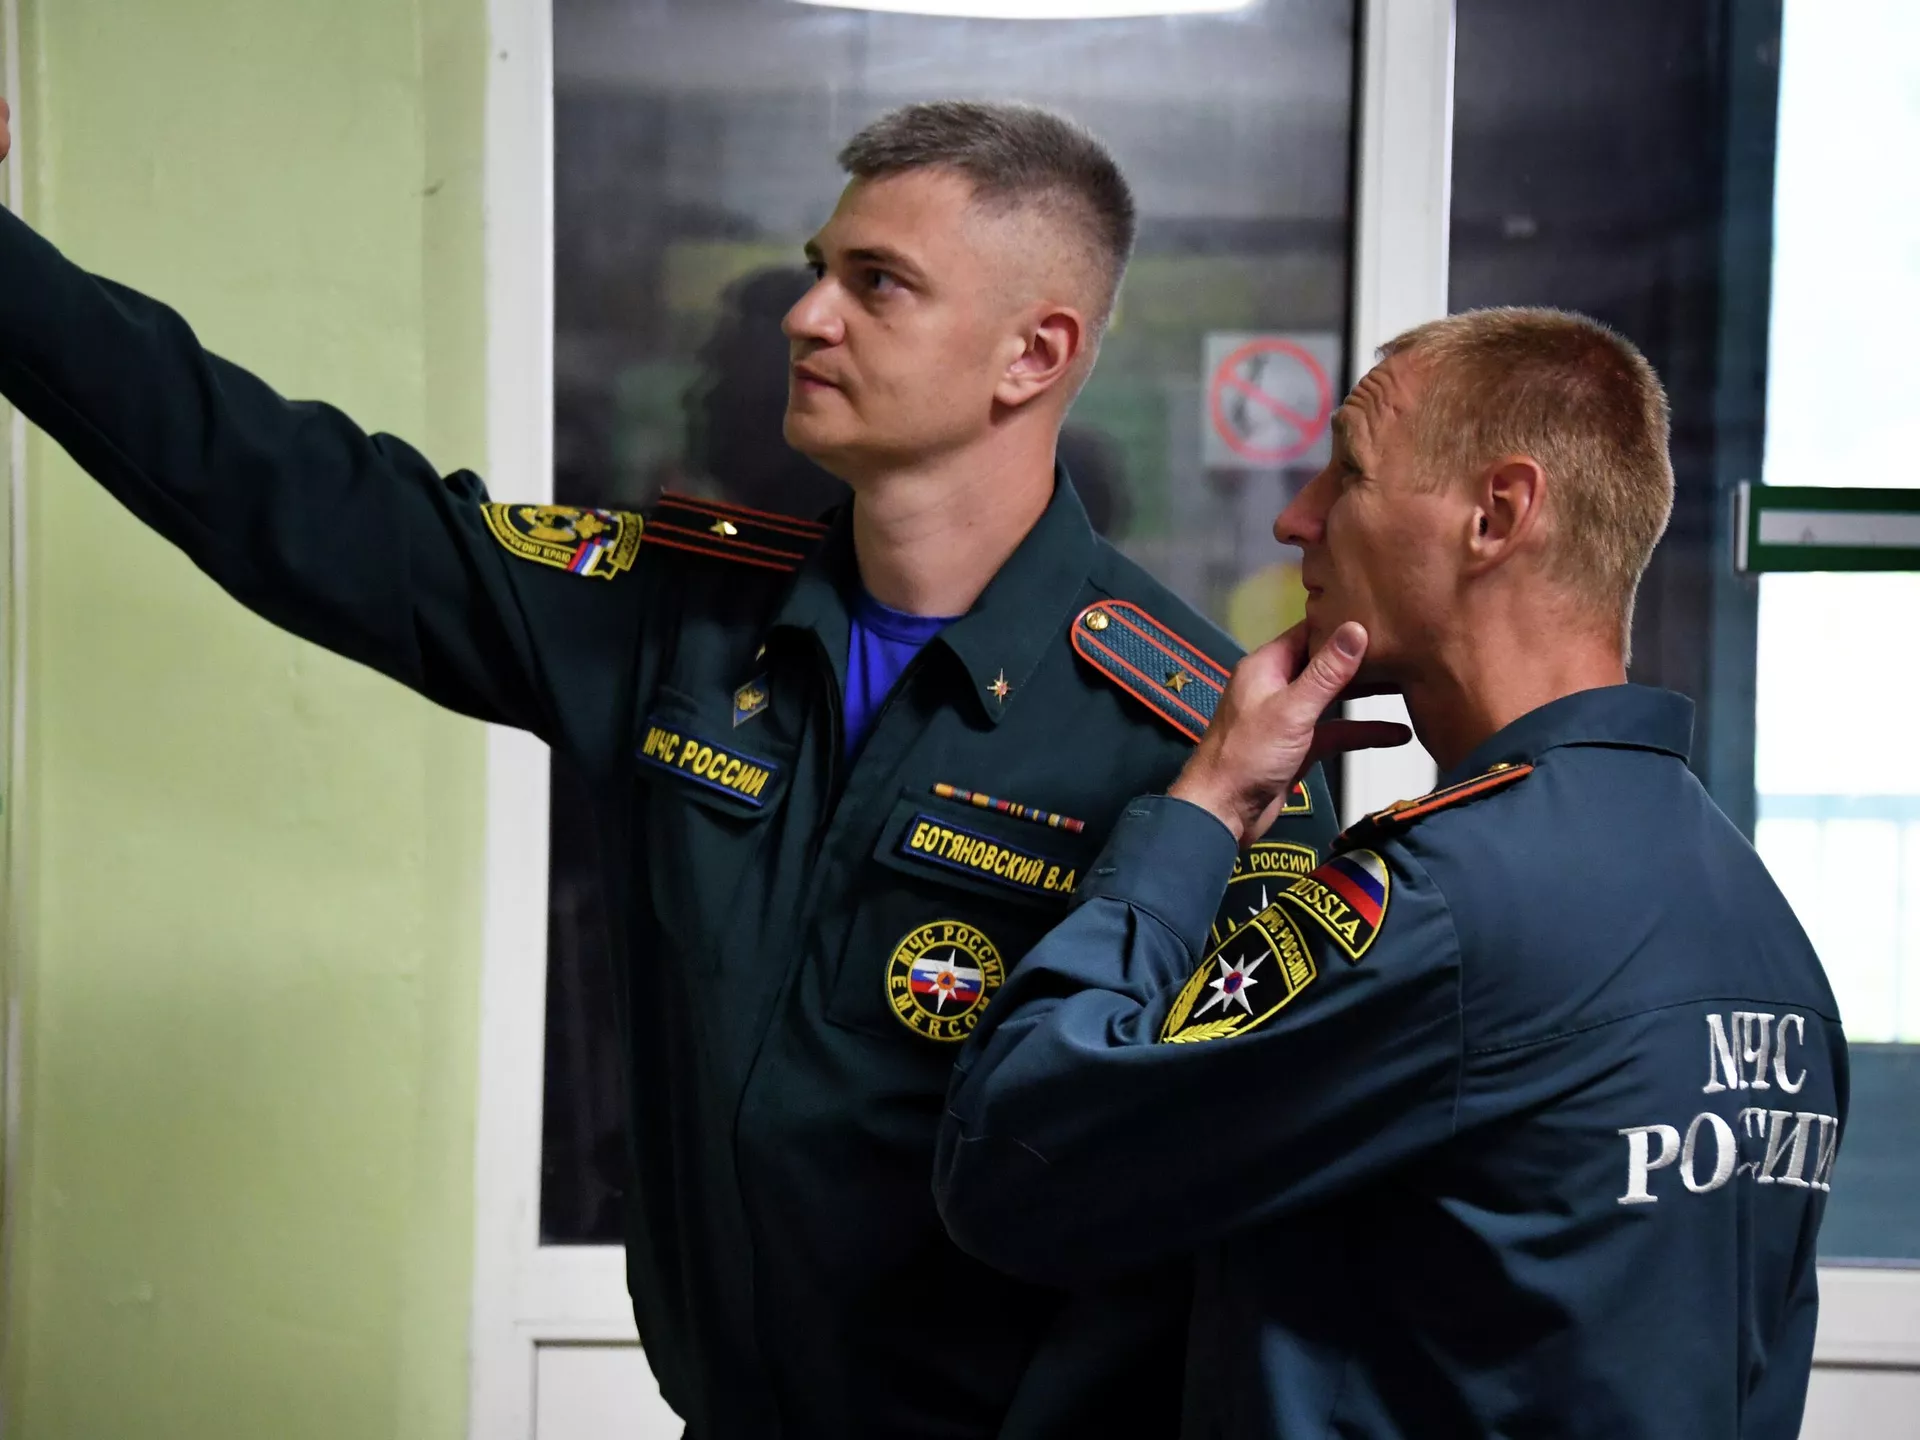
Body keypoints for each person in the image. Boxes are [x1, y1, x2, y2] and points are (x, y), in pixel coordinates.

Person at [0, 96, 1363, 1437]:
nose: (805, 314)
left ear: (1032, 354)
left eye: (876, 283)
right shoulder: (684, 620)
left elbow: (1229, 1191)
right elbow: (303, 498)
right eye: (821, 268)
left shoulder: (1204, 744)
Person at [934, 308, 1847, 1438]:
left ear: (1495, 516)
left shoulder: (1450, 904)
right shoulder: (1760, 926)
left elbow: (1018, 1158)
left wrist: (1207, 807)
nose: (1297, 517)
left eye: (1351, 471)